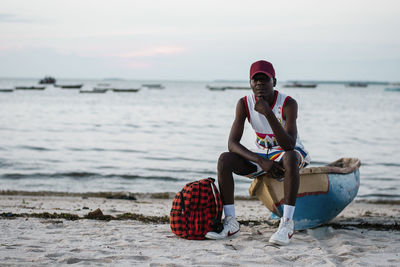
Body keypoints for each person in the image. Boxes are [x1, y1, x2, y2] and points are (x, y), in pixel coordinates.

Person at [205, 60, 311, 245]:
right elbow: (232, 143)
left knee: (291, 156)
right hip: (262, 154)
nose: (260, 84)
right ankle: (231, 223)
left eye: (265, 79)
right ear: (250, 83)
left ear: (274, 82)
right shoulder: (244, 103)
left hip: (287, 153)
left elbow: (289, 145)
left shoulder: (288, 103)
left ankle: (286, 224)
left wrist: (268, 113)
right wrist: (260, 161)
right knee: (224, 160)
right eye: (256, 80)